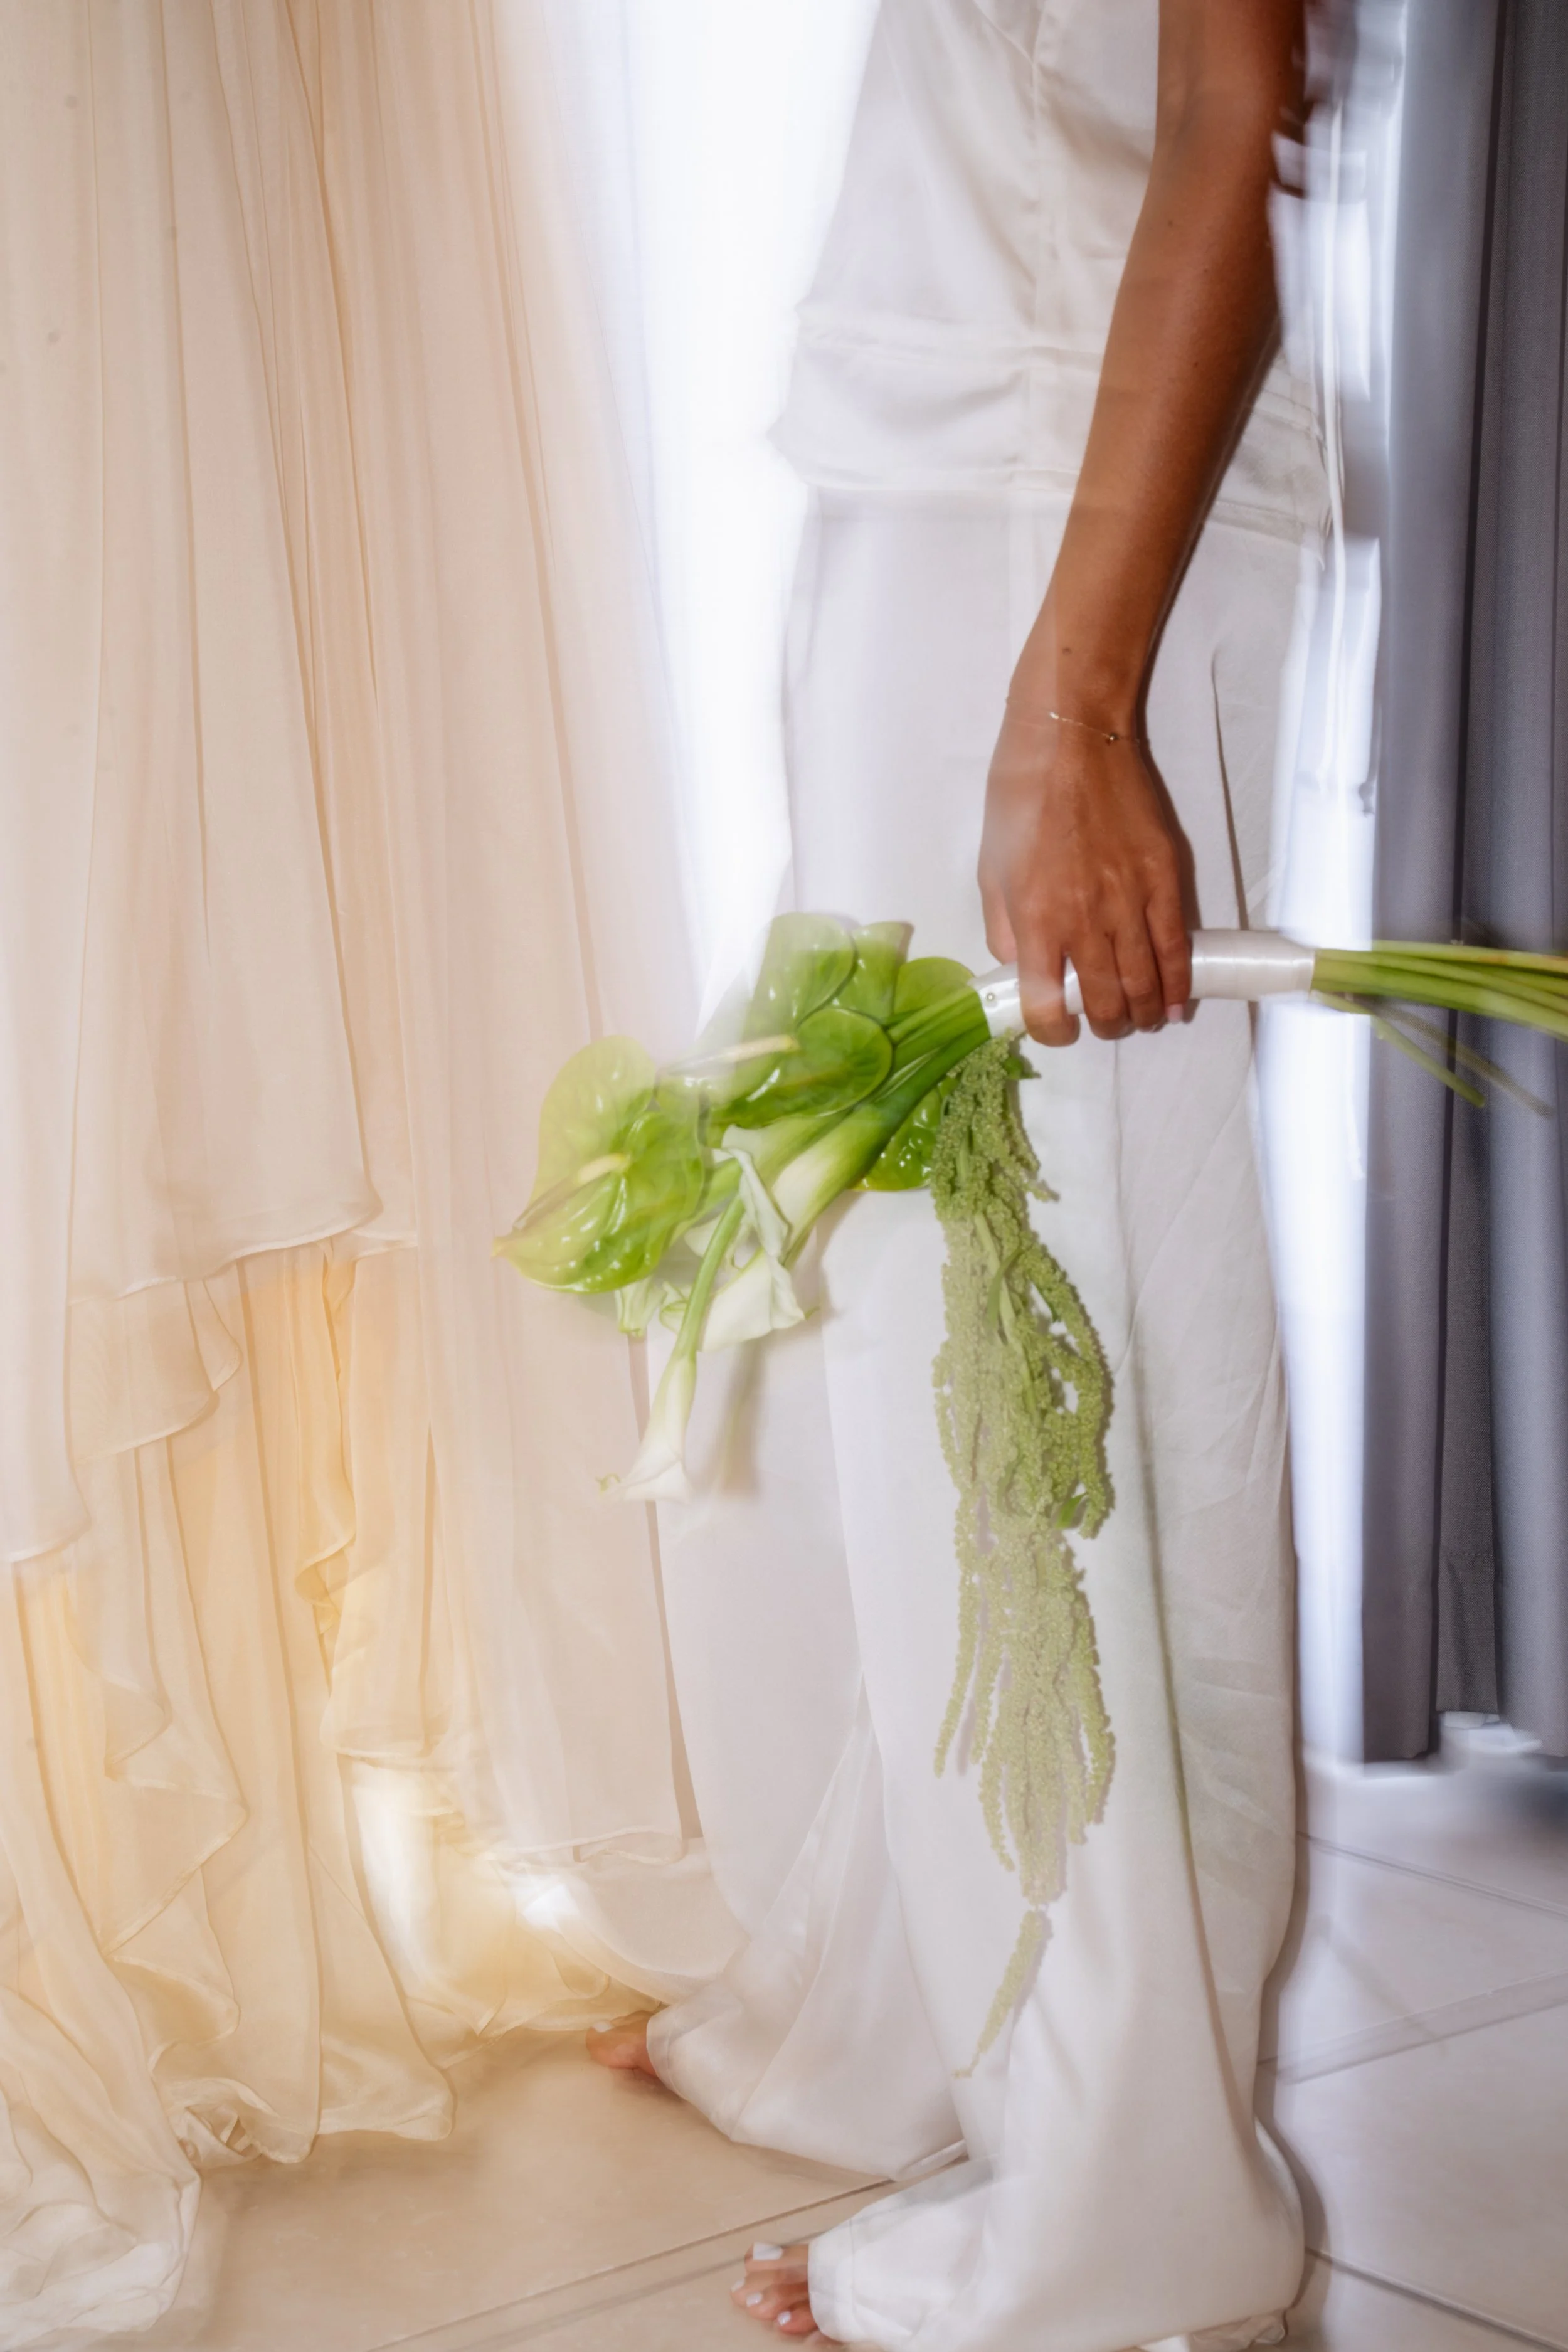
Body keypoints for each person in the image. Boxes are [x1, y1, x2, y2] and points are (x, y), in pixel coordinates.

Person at [592, 2, 1326, 2345]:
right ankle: (930, 2025)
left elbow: (1229, 107)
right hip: (1025, 443)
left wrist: (1072, 699)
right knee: (1058, 1323)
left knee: (1011, 1358)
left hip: (1047, 489)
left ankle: (1121, 2202)